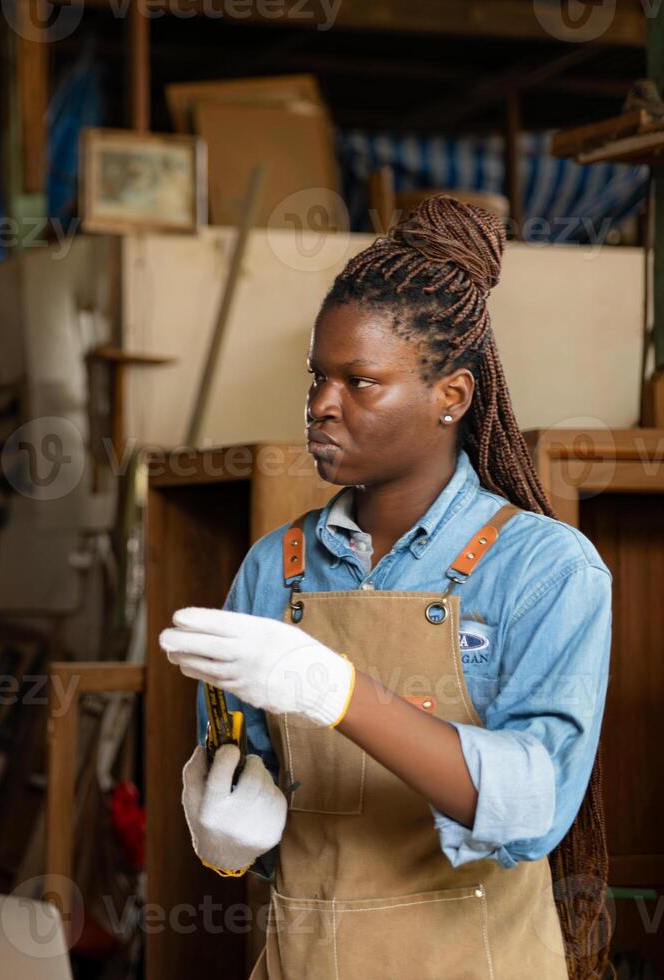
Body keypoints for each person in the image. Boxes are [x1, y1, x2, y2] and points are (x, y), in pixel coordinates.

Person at [160, 196, 611, 979]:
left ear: (452, 398)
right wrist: (227, 835)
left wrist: (337, 691)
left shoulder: (544, 571)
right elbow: (243, 760)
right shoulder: (274, 568)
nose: (319, 407)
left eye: (358, 382)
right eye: (315, 377)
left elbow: (533, 802)